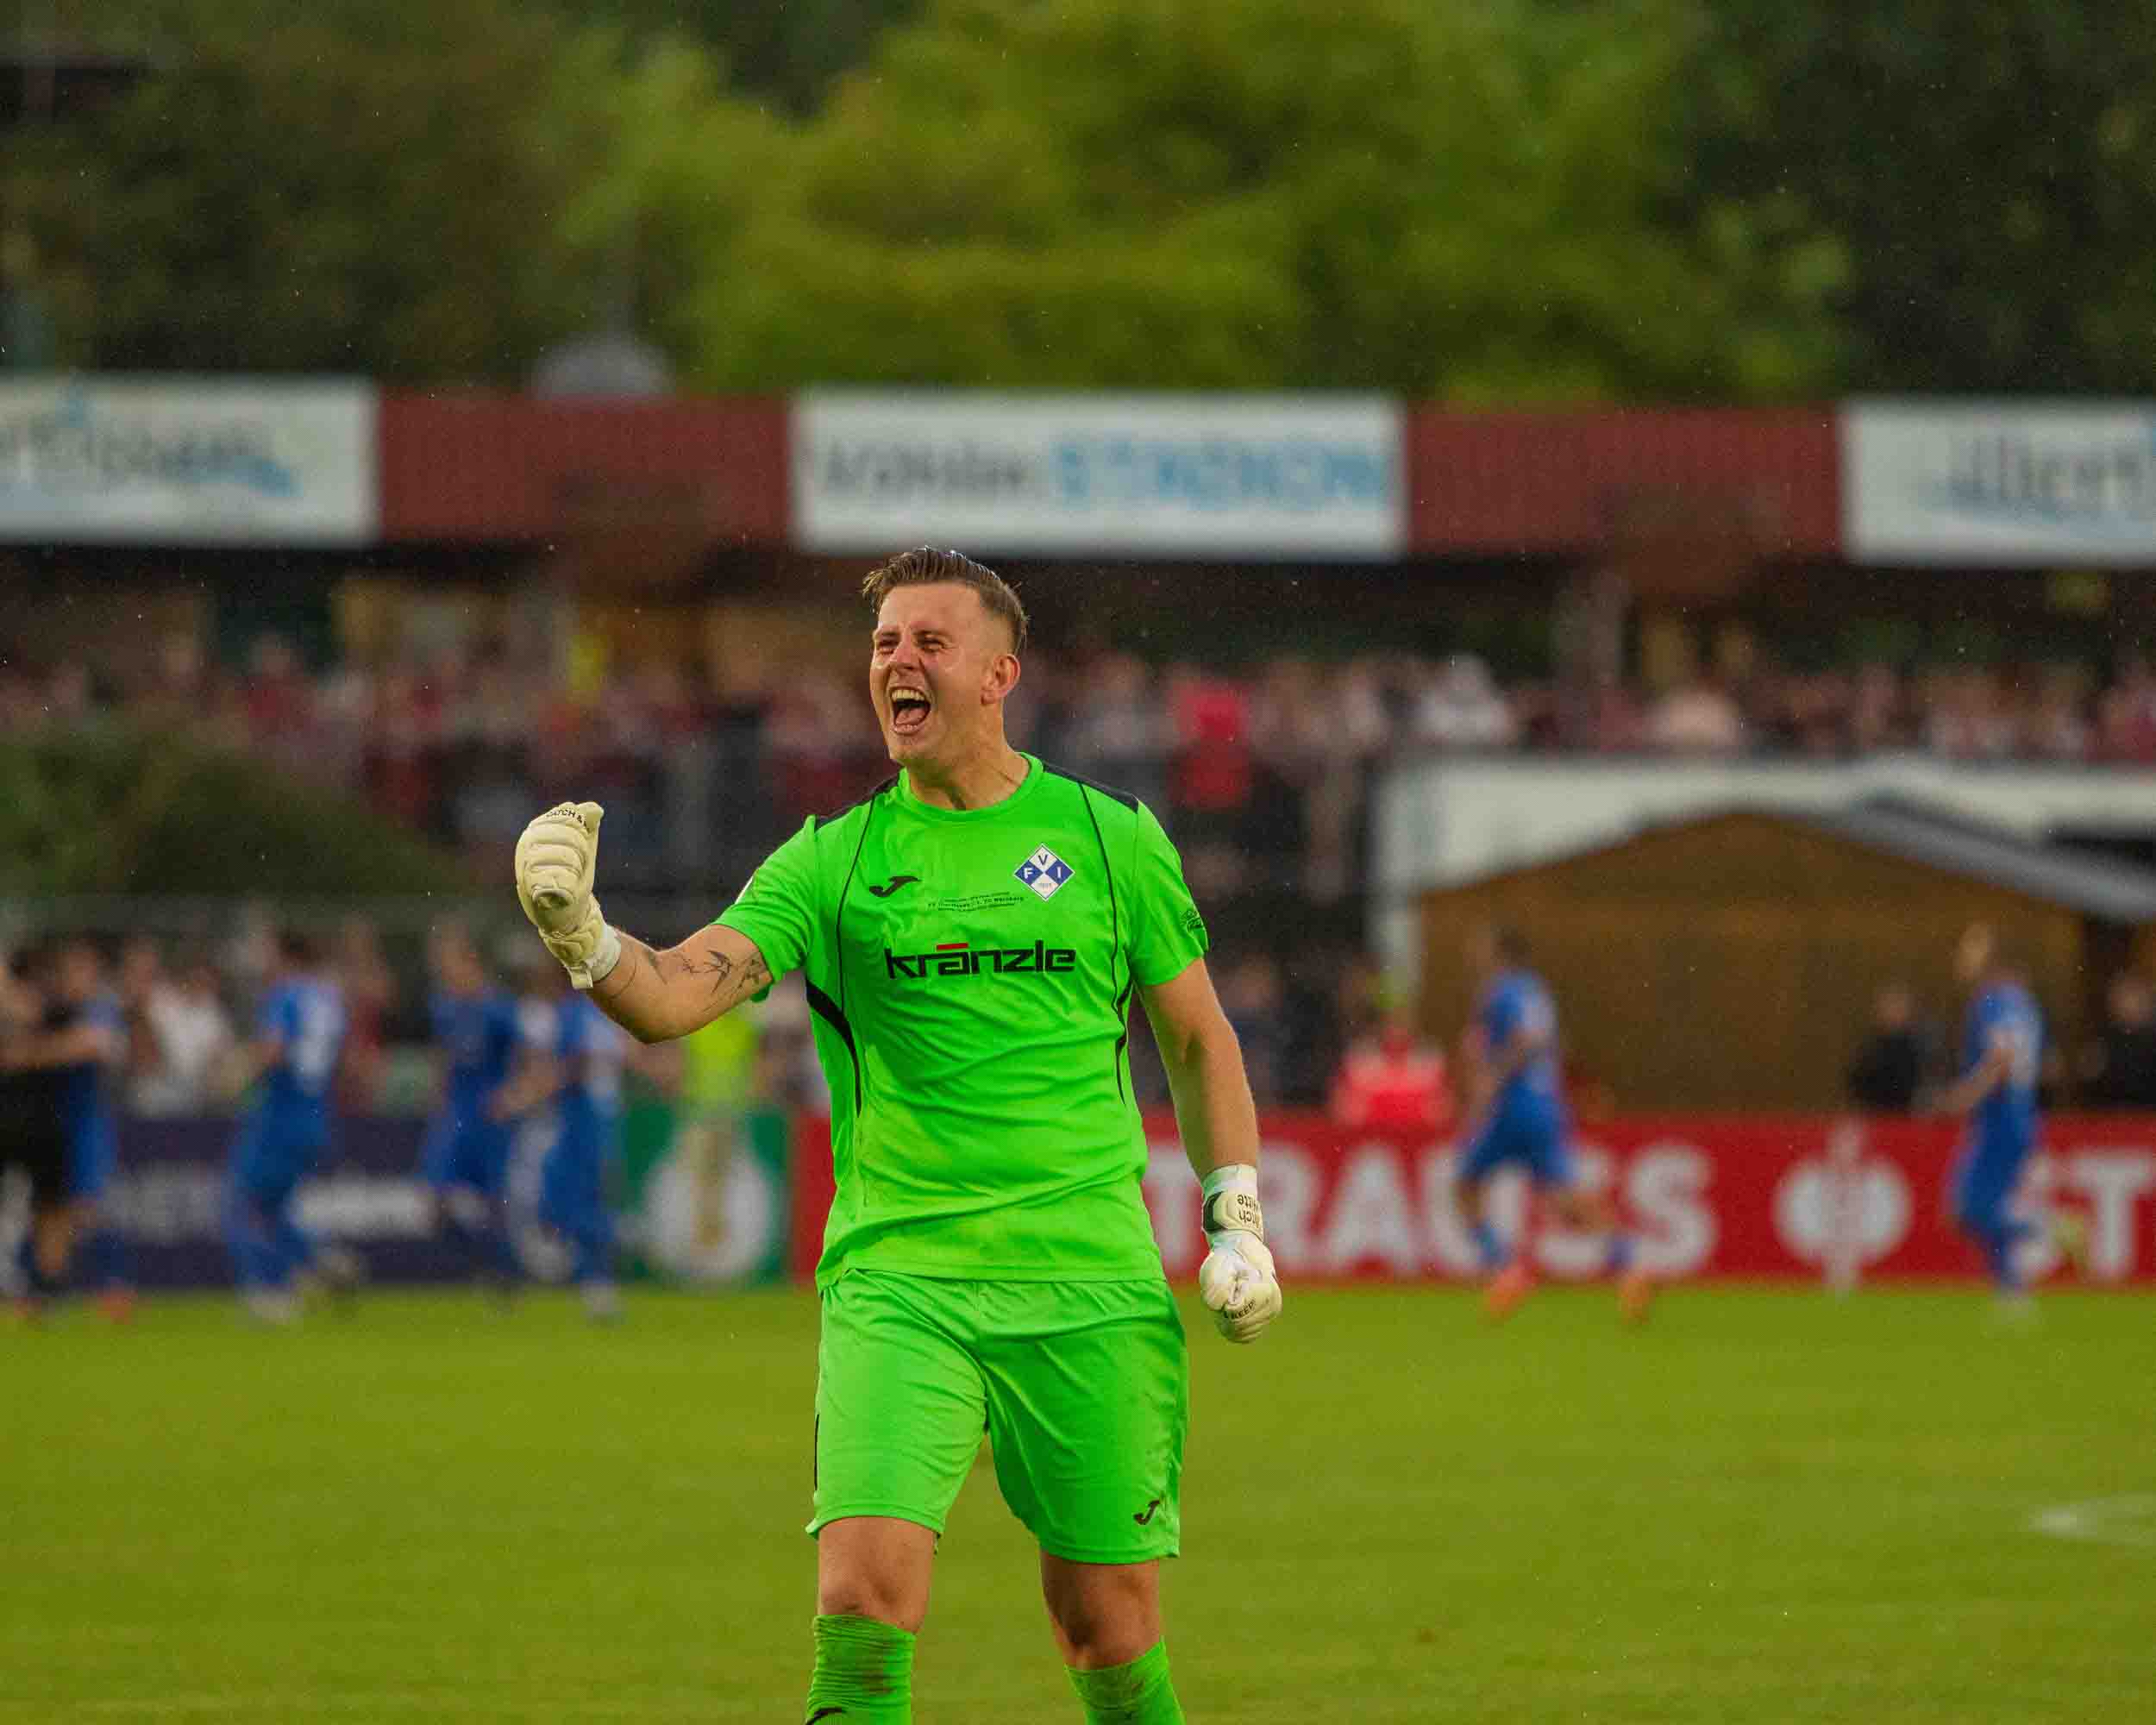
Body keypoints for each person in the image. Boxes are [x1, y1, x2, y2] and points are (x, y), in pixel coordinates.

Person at [513, 546, 1279, 1725]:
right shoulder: (834, 860)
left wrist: (1237, 1217)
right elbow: (673, 996)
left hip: (1090, 1283)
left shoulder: (1109, 838)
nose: (896, 662)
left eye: (928, 641)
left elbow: (1197, 1037)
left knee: (1107, 1625)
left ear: (999, 673)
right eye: (882, 644)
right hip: (902, 1283)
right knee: (862, 1598)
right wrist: (587, 941)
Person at [1454, 925, 1652, 1322]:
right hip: (1545, 1104)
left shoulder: (1501, 991)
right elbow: (1551, 1042)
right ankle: (1629, 1264)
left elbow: (1524, 1040)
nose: (1473, 954)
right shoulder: (1536, 990)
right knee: (1563, 1197)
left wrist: (1492, 1080)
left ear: (1499, 952)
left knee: (1465, 1185)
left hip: (1514, 1105)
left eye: (1480, 947)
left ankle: (1504, 1268)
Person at [1932, 924, 2084, 1305]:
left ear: (1989, 959)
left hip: (1999, 1118)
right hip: (2020, 1116)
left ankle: (2055, 1227)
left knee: (1967, 1211)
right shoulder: (2025, 1003)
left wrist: (1965, 1095)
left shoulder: (1992, 1001)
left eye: (1969, 951)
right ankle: (2011, 1292)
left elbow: (2002, 1059)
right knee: (1986, 1207)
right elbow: (2049, 1065)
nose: (1961, 960)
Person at [221, 930, 358, 1323]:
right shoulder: (329, 998)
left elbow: (275, 1049)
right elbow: (342, 1059)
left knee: (238, 1202)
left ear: (285, 956)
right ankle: (322, 1257)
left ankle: (270, 1289)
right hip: (315, 1116)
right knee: (273, 1208)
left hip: (279, 1116)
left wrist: (238, 1073)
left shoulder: (285, 994)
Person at [417, 921, 526, 1295]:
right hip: (456, 1114)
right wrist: (437, 1096)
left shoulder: (499, 1009)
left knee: (494, 1201)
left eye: (447, 960)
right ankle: (482, 1263)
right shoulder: (443, 1007)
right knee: (435, 1200)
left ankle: (504, 1273)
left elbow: (529, 1059)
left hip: (491, 1116)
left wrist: (513, 1095)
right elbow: (443, 1056)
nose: (442, 969)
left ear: (469, 960)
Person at [48, 939, 134, 1320]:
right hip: (52, 1120)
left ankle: (114, 1285)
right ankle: (50, 1289)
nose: (75, 978)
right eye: (70, 970)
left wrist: (30, 1052)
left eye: (82, 969)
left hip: (87, 1121)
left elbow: (96, 1047)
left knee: (88, 1208)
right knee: (54, 1207)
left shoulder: (102, 1008)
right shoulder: (56, 1009)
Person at [2, 950, 78, 1318]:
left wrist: (29, 1053)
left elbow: (85, 1040)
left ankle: (51, 1283)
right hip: (7, 1118)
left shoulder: (53, 1007)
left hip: (42, 1120)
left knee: (52, 1203)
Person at [1846, 982, 1934, 1113]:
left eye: (1899, 1005)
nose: (1894, 1011)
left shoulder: (1921, 1046)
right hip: (1875, 1114)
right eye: (1890, 1005)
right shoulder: (1870, 1049)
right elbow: (1856, 1083)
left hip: (1909, 1115)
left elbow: (1924, 1088)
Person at [2078, 971, 2156, 1109]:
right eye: (2120, 997)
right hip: (2111, 1114)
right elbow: (2088, 1075)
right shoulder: (2104, 1040)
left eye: (2133, 997)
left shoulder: (2151, 1038)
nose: (2127, 1004)